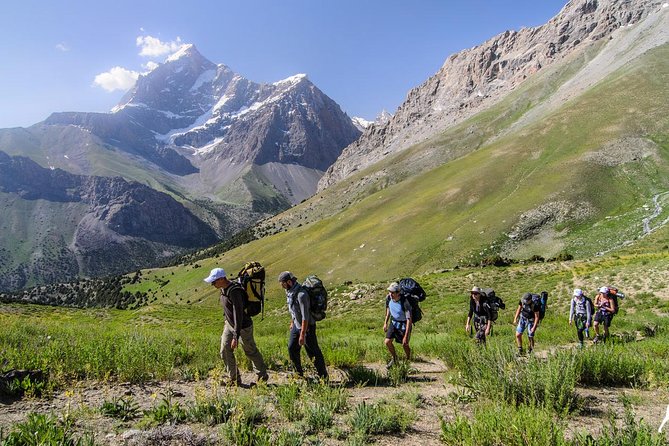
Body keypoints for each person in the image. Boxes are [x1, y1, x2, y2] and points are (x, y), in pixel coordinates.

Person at [204, 267, 269, 386]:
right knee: (224, 350)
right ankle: (234, 379)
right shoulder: (224, 289)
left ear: (222, 279)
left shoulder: (234, 292)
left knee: (250, 351)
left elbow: (238, 314)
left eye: (214, 281)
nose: (212, 284)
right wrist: (226, 321)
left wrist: (235, 336)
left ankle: (262, 376)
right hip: (229, 324)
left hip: (243, 326)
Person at [279, 271, 328, 380]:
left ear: (288, 282)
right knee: (292, 347)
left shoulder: (302, 295)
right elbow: (294, 309)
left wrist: (302, 334)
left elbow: (305, 316)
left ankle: (323, 376)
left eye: (282, 283)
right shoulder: (290, 292)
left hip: (307, 328)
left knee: (313, 351)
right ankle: (298, 373)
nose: (281, 285)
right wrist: (293, 321)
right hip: (297, 325)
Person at [383, 282, 412, 368]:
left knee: (405, 344)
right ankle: (395, 359)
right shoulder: (388, 298)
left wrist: (406, 335)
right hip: (394, 322)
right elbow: (388, 309)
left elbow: (409, 319)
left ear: (398, 292)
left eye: (392, 292)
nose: (390, 294)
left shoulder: (405, 302)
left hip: (404, 324)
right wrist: (385, 322)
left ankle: (408, 360)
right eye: (389, 292)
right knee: (387, 342)